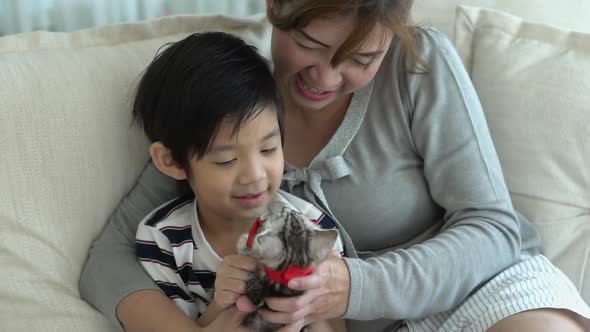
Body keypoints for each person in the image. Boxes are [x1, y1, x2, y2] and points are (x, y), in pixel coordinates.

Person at [80, 0, 590, 331]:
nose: (325, 77)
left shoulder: (420, 65)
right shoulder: (233, 95)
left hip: (477, 291)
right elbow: (109, 256)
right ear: (277, 6)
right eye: (309, 45)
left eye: (360, 59)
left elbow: (494, 229)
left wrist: (354, 287)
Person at [128, 31, 345, 331]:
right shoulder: (164, 241)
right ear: (173, 161)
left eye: (268, 149)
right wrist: (221, 302)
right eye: (226, 160)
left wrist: (307, 309)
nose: (255, 175)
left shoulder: (312, 229)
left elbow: (337, 326)